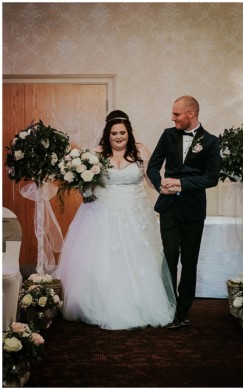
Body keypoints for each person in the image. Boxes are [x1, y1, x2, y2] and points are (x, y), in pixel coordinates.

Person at [54, 110, 176, 330]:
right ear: (107, 135)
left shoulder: (141, 151)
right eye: (114, 134)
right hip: (102, 211)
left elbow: (151, 180)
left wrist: (168, 186)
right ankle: (98, 305)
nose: (119, 137)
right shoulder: (95, 153)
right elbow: (85, 181)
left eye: (122, 133)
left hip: (135, 211)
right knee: (102, 257)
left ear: (128, 132)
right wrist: (83, 188)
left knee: (138, 258)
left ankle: (139, 303)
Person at [147, 96, 221, 329]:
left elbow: (212, 178)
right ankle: (168, 306)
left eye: (177, 114)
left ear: (191, 113)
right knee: (168, 257)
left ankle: (183, 310)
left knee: (190, 261)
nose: (172, 117)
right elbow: (152, 166)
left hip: (193, 210)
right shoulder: (168, 135)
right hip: (169, 209)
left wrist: (179, 184)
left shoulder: (210, 142)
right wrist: (161, 185)